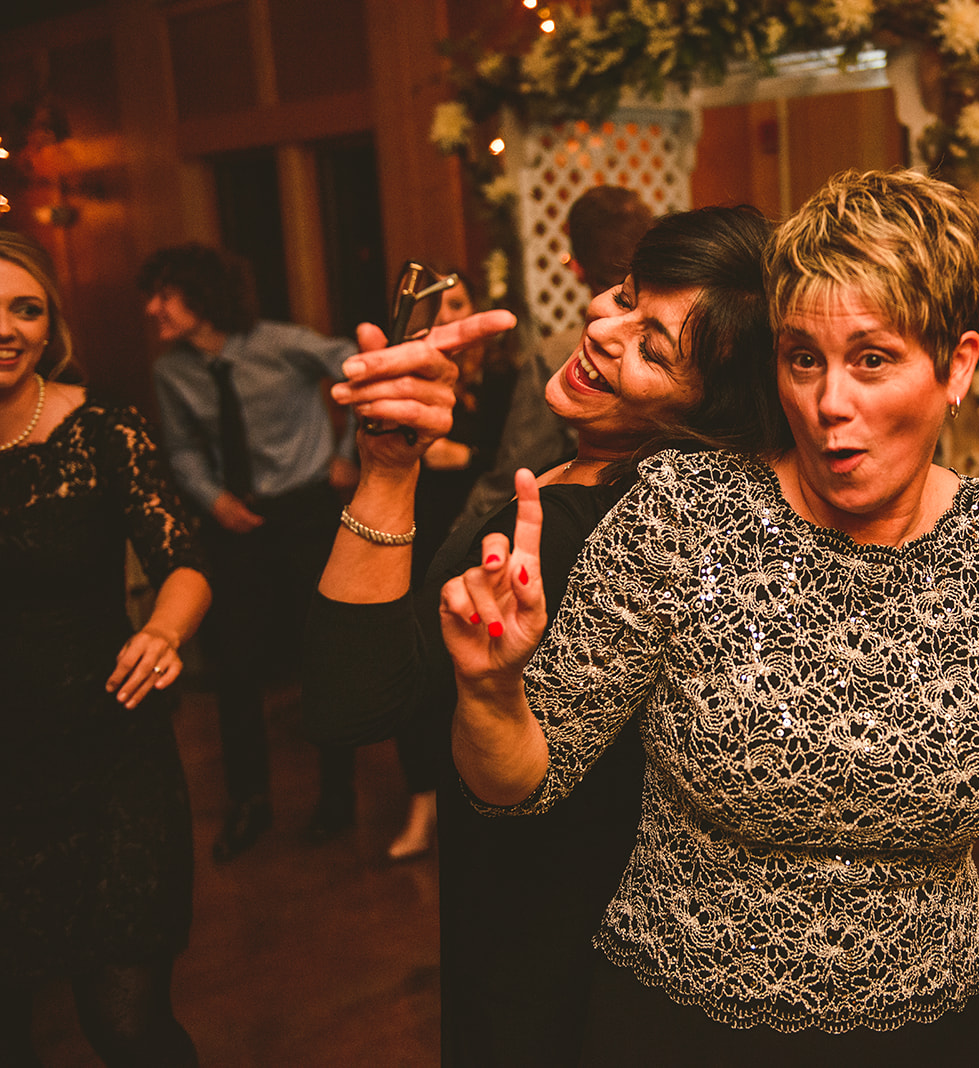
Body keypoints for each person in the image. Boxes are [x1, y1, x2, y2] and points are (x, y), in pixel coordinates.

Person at [442, 169, 979, 1066]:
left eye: (873, 359)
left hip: (926, 1032)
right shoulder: (682, 510)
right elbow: (518, 781)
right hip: (679, 1027)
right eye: (802, 358)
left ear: (958, 364)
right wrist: (491, 691)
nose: (829, 405)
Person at [301, 205, 782, 1066]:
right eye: (623, 296)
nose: (602, 329)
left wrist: (386, 472)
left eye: (654, 346)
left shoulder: (588, 528)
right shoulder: (600, 475)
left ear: (714, 407)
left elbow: (353, 700)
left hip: (557, 919)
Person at [1, 230, 211, 1065]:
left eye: (26, 308)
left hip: (108, 754)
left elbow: (185, 563)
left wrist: (163, 628)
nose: (8, 328)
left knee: (126, 1024)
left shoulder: (105, 429)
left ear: (51, 328)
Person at [139, 243, 360, 861]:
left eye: (164, 293)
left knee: (322, 658)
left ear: (203, 295)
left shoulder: (281, 343)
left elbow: (360, 370)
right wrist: (212, 501)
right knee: (235, 668)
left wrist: (347, 456)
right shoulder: (171, 370)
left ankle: (337, 796)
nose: (152, 309)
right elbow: (181, 448)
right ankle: (248, 804)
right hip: (232, 526)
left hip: (305, 515)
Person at [386, 268, 518, 860]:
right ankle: (421, 802)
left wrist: (465, 453)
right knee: (411, 669)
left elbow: (525, 456)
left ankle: (469, 799)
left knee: (469, 673)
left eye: (457, 304)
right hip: (416, 536)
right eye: (433, 310)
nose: (446, 319)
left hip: (480, 535)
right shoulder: (404, 385)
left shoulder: (506, 380)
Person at [458, 184, 654, 522]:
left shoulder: (556, 357)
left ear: (576, 268)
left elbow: (512, 478)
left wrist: (453, 544)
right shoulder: (682, 351)